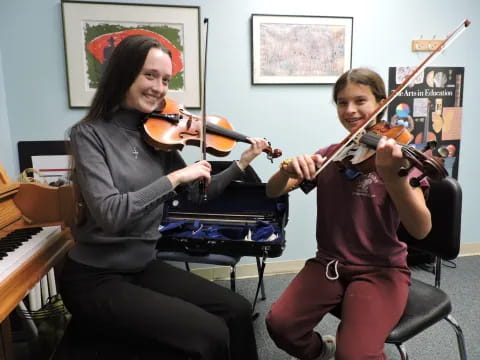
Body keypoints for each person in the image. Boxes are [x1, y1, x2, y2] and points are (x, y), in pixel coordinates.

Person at [60, 34, 268, 360]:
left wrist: (241, 164)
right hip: (96, 278)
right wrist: (174, 177)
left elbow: (197, 196)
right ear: (123, 73)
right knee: (210, 334)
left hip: (143, 265)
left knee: (238, 310)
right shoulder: (89, 134)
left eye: (166, 79)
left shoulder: (158, 134)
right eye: (150, 75)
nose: (159, 87)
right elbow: (111, 214)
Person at [264, 68, 432, 360]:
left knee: (355, 354)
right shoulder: (332, 154)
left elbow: (421, 229)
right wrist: (285, 170)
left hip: (381, 270)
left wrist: (393, 178)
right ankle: (321, 351)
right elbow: (273, 191)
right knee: (280, 324)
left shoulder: (398, 160)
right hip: (329, 263)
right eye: (342, 102)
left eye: (360, 100)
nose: (350, 110)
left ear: (381, 103)